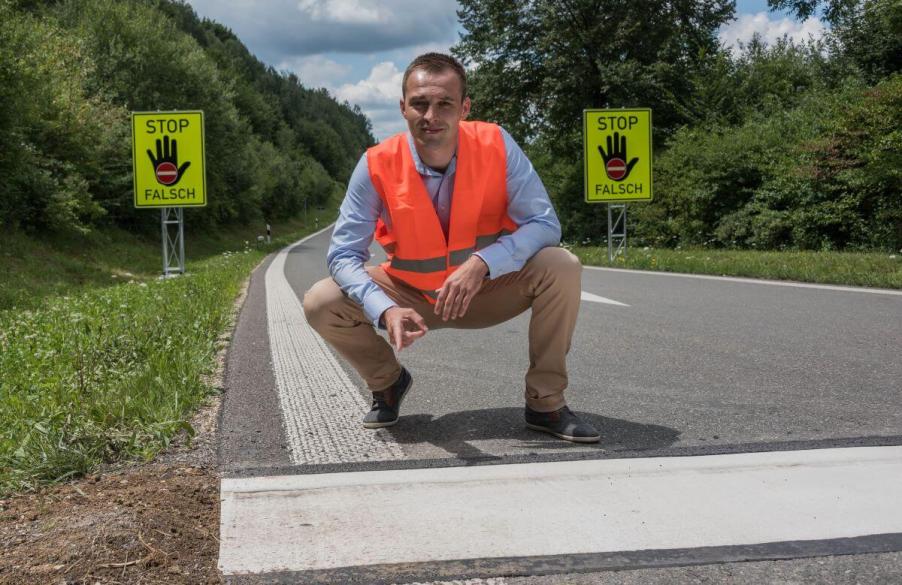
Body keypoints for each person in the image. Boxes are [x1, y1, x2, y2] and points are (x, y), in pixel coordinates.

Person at [302, 53, 599, 443]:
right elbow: (343, 254)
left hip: (485, 289)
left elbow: (544, 224)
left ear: (464, 108)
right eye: (420, 104)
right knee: (321, 300)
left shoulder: (497, 144)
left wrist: (482, 264)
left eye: (444, 104)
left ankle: (545, 402)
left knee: (561, 265)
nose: (431, 115)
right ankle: (388, 381)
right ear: (403, 107)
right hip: (410, 296)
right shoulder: (375, 163)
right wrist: (384, 308)